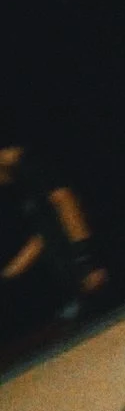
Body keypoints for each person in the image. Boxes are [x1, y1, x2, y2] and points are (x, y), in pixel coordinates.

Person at [1, 139, 110, 340]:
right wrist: (8, 276)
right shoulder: (20, 183)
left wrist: (87, 261)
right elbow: (43, 236)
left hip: (96, 274)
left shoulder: (33, 163)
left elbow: (66, 203)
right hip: (81, 286)